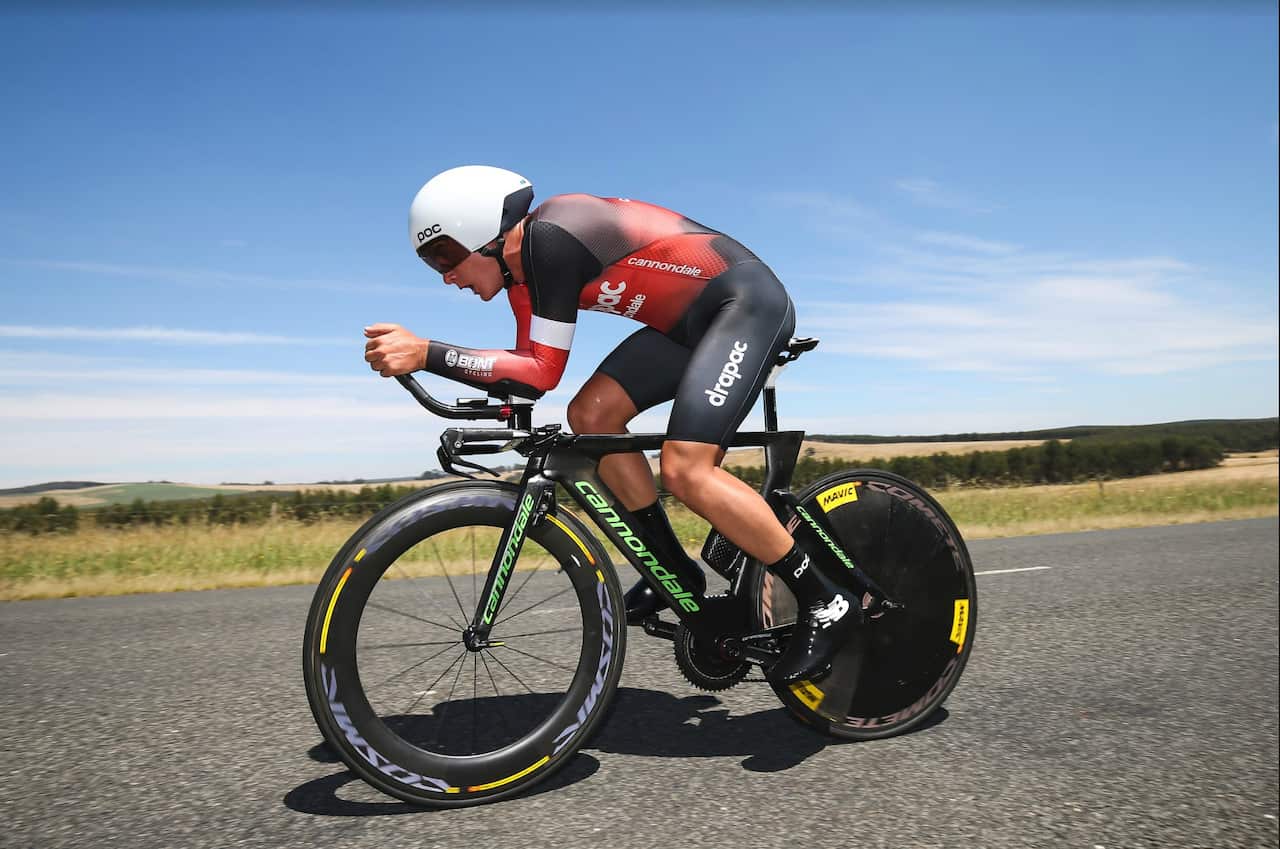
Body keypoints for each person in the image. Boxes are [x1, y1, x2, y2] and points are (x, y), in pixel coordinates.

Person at [363, 165, 859, 684]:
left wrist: (426, 353)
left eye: (444, 256)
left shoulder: (550, 237)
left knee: (686, 469)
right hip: (687, 327)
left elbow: (540, 372)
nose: (445, 275)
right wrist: (449, 374)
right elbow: (528, 377)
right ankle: (672, 567)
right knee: (591, 416)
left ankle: (826, 599)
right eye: (432, 263)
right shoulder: (523, 282)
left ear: (485, 232)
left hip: (745, 305)